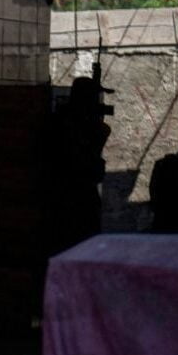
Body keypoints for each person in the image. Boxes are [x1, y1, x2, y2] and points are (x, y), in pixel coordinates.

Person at [47, 75, 113, 253]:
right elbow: (82, 165)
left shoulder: (67, 122)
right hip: (72, 200)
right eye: (94, 99)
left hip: (76, 199)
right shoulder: (67, 126)